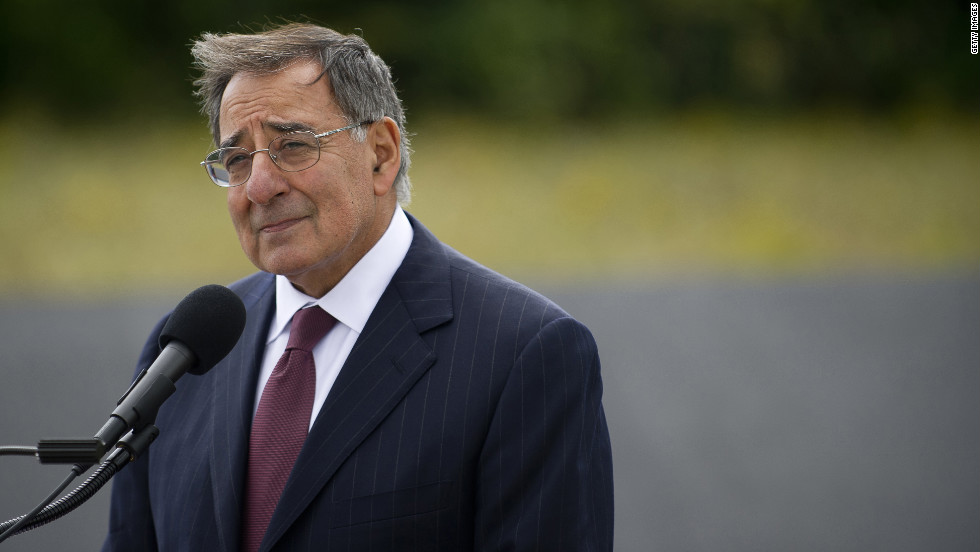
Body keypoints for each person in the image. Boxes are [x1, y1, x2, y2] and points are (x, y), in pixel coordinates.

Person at [102, 22, 613, 552]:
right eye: (236, 159)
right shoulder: (184, 353)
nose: (258, 185)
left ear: (381, 154)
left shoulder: (525, 354)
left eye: (293, 146)